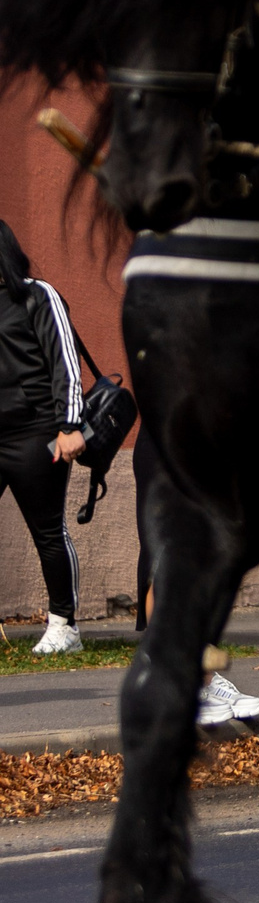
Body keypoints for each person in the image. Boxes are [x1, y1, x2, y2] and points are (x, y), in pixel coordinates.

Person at [0, 220, 84, 655]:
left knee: (48, 530)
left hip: (36, 435)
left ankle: (64, 625)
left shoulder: (36, 295)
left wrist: (69, 425)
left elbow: (64, 362)